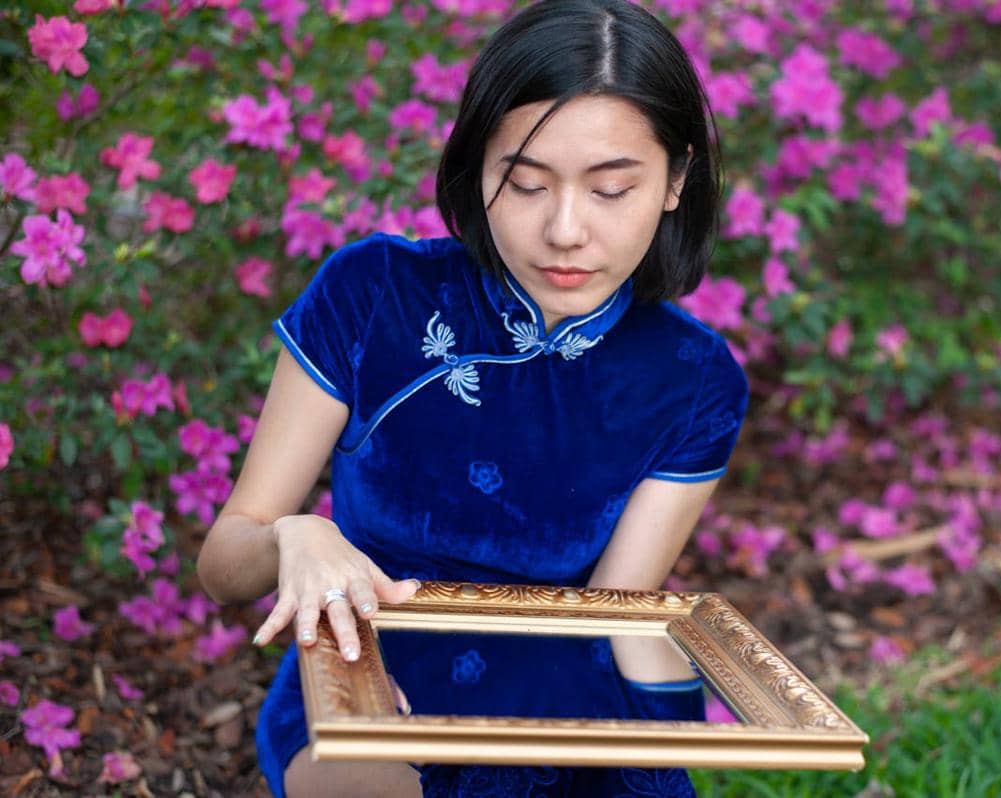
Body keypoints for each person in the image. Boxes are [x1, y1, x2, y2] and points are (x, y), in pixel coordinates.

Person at [196, 0, 749, 795]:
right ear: (476, 167)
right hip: (369, 687)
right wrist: (293, 536)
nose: (565, 230)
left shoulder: (693, 376)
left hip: (562, 701)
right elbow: (225, 563)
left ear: (675, 181)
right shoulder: (373, 293)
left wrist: (669, 742)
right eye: (524, 183)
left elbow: (616, 613)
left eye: (611, 189)